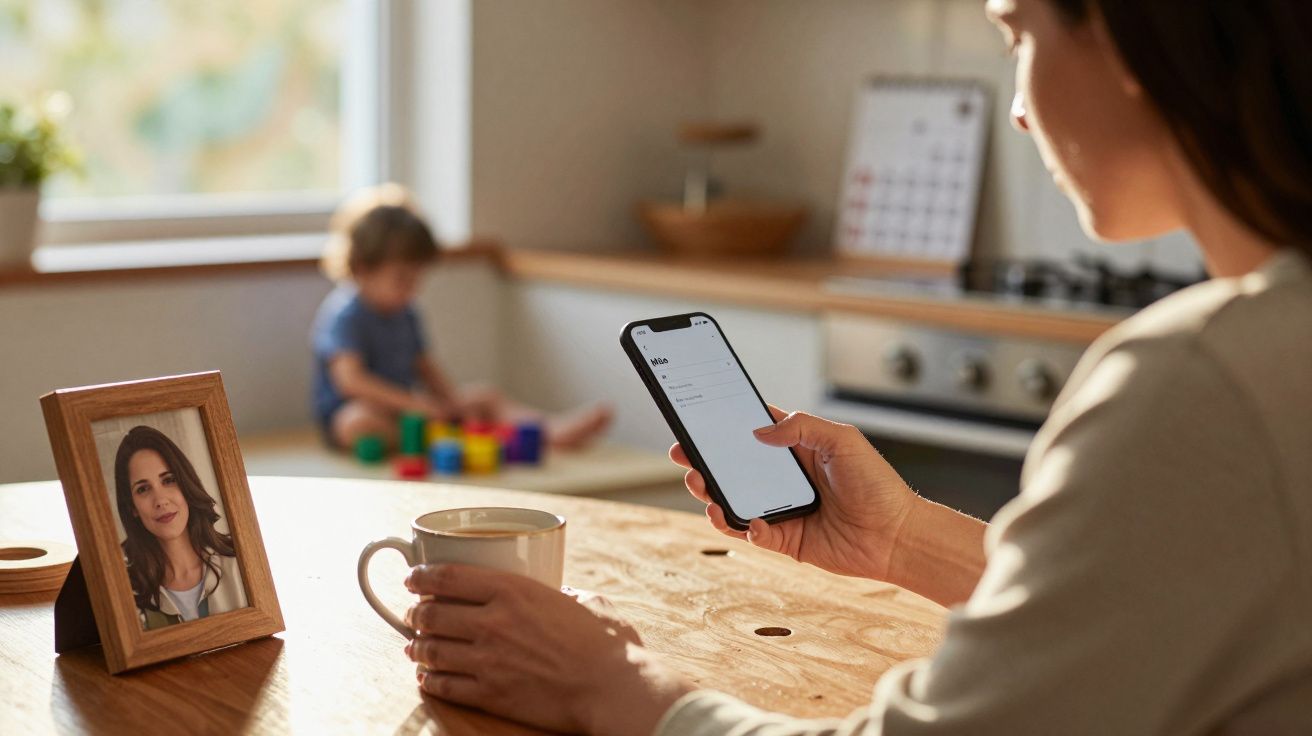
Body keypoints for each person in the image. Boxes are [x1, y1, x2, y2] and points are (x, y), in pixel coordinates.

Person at [396, 0, 1312, 733]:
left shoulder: (1203, 379)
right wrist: (904, 539)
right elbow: (1142, 607)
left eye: (1015, 33)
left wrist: (612, 682)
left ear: (1122, 36)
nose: (1022, 110)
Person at [310, 183, 613, 451]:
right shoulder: (345, 315)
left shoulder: (406, 313)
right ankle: (456, 438)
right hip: (368, 410)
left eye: (416, 280)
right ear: (362, 269)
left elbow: (425, 365)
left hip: (412, 411)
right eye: (401, 279)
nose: (411, 290)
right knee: (357, 422)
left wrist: (448, 401)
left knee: (485, 396)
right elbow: (351, 381)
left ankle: (550, 430)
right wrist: (414, 405)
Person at [114, 425, 247, 630]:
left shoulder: (241, 563)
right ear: (132, 507)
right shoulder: (124, 591)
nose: (160, 501)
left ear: (185, 484)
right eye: (143, 489)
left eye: (169, 480)